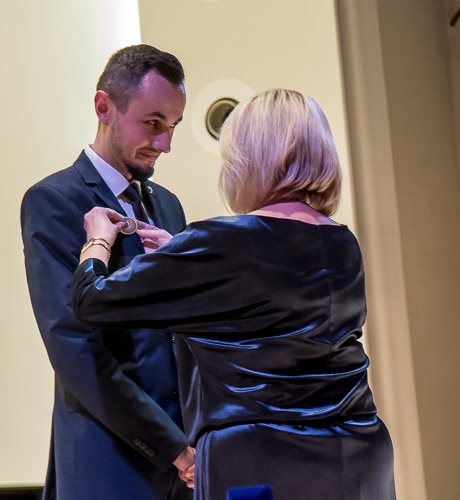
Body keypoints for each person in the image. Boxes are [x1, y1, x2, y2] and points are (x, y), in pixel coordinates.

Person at [69, 88, 397, 500]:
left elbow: (92, 300)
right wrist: (184, 254)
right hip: (361, 450)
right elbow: (269, 301)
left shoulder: (223, 241)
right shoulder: (342, 243)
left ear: (248, 159)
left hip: (263, 459)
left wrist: (97, 240)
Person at [21, 44, 194, 499]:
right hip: (110, 462)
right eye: (153, 123)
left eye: (173, 126)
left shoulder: (168, 205)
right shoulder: (54, 200)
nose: (165, 144)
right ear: (104, 107)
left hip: (187, 464)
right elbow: (74, 346)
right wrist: (169, 446)